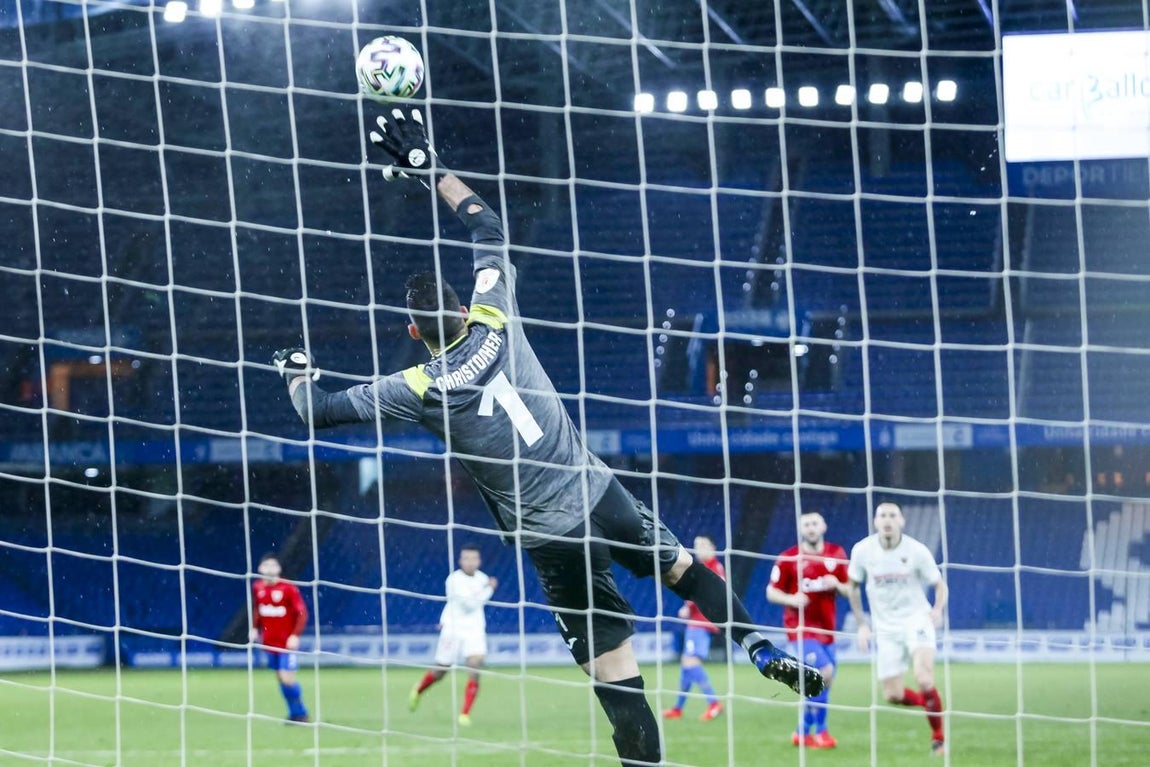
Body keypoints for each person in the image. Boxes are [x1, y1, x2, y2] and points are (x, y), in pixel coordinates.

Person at [271, 106, 824, 766]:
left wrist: (297, 374)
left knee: (619, 684)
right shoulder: (495, 313)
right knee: (683, 568)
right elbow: (486, 223)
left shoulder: (416, 384)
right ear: (462, 305)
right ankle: (760, 646)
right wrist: (426, 165)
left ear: (416, 332)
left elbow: (319, 412)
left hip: (552, 536)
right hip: (597, 491)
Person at [847, 501, 948, 756]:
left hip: (917, 620)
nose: (888, 520)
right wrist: (861, 624)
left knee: (924, 678)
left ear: (902, 521)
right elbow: (852, 587)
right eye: (882, 515)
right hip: (885, 628)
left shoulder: (916, 550)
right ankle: (930, 704)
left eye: (893, 515)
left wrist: (937, 609)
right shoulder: (862, 550)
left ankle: (938, 736)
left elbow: (940, 585)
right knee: (892, 694)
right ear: (875, 521)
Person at [766, 511, 850, 749]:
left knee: (824, 681)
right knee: (824, 671)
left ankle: (801, 731)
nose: (811, 528)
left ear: (823, 526)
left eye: (815, 523)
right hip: (801, 629)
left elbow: (849, 589)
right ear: (801, 529)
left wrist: (839, 585)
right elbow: (771, 592)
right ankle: (822, 733)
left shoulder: (837, 554)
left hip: (828, 630)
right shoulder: (789, 558)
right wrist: (791, 599)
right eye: (806, 525)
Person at [409, 544, 497, 726]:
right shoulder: (454, 580)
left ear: (479, 561)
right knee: (441, 670)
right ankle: (419, 689)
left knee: (474, 667)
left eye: (474, 558)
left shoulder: (482, 578)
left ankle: (464, 714)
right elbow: (469, 605)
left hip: (475, 630)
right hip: (453, 628)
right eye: (466, 558)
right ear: (460, 561)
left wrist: (486, 587)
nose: (470, 562)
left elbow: (476, 606)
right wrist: (490, 589)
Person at [662, 535, 725, 722]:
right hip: (697, 621)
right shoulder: (705, 568)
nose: (700, 549)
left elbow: (710, 593)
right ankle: (678, 708)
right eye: (697, 546)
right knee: (686, 665)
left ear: (713, 547)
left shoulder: (714, 568)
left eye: (704, 545)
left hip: (702, 622)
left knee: (691, 662)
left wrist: (688, 607)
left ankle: (714, 703)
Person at [250, 554, 310, 723]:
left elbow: (302, 613)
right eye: (266, 565)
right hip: (269, 642)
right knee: (280, 678)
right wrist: (255, 628)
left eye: (273, 565)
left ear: (278, 569)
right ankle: (294, 714)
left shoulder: (288, 588)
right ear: (260, 569)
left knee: (287, 678)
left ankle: (301, 712)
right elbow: (258, 609)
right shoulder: (258, 587)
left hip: (286, 643)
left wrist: (295, 635)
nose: (269, 569)